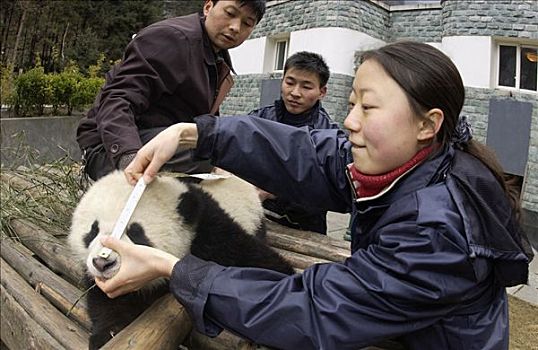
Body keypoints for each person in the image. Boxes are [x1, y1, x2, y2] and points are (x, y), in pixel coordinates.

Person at [95, 41, 534, 349]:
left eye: (369, 107)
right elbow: (307, 153)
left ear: (427, 123)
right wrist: (195, 134)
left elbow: (311, 311)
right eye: (351, 104)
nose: (350, 122)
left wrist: (173, 268)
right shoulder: (416, 159)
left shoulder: (436, 232)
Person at [76, 0, 266, 181]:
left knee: (229, 151)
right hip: (108, 148)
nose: (235, 27)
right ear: (208, 6)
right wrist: (129, 157)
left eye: (247, 23)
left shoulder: (216, 60)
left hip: (159, 142)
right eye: (230, 13)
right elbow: (118, 99)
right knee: (211, 156)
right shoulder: (171, 38)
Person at [251, 51, 340, 234]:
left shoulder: (328, 136)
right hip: (258, 218)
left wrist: (273, 190)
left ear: (322, 92)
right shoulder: (259, 119)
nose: (295, 93)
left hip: (305, 228)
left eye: (306, 87)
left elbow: (325, 189)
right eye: (290, 83)